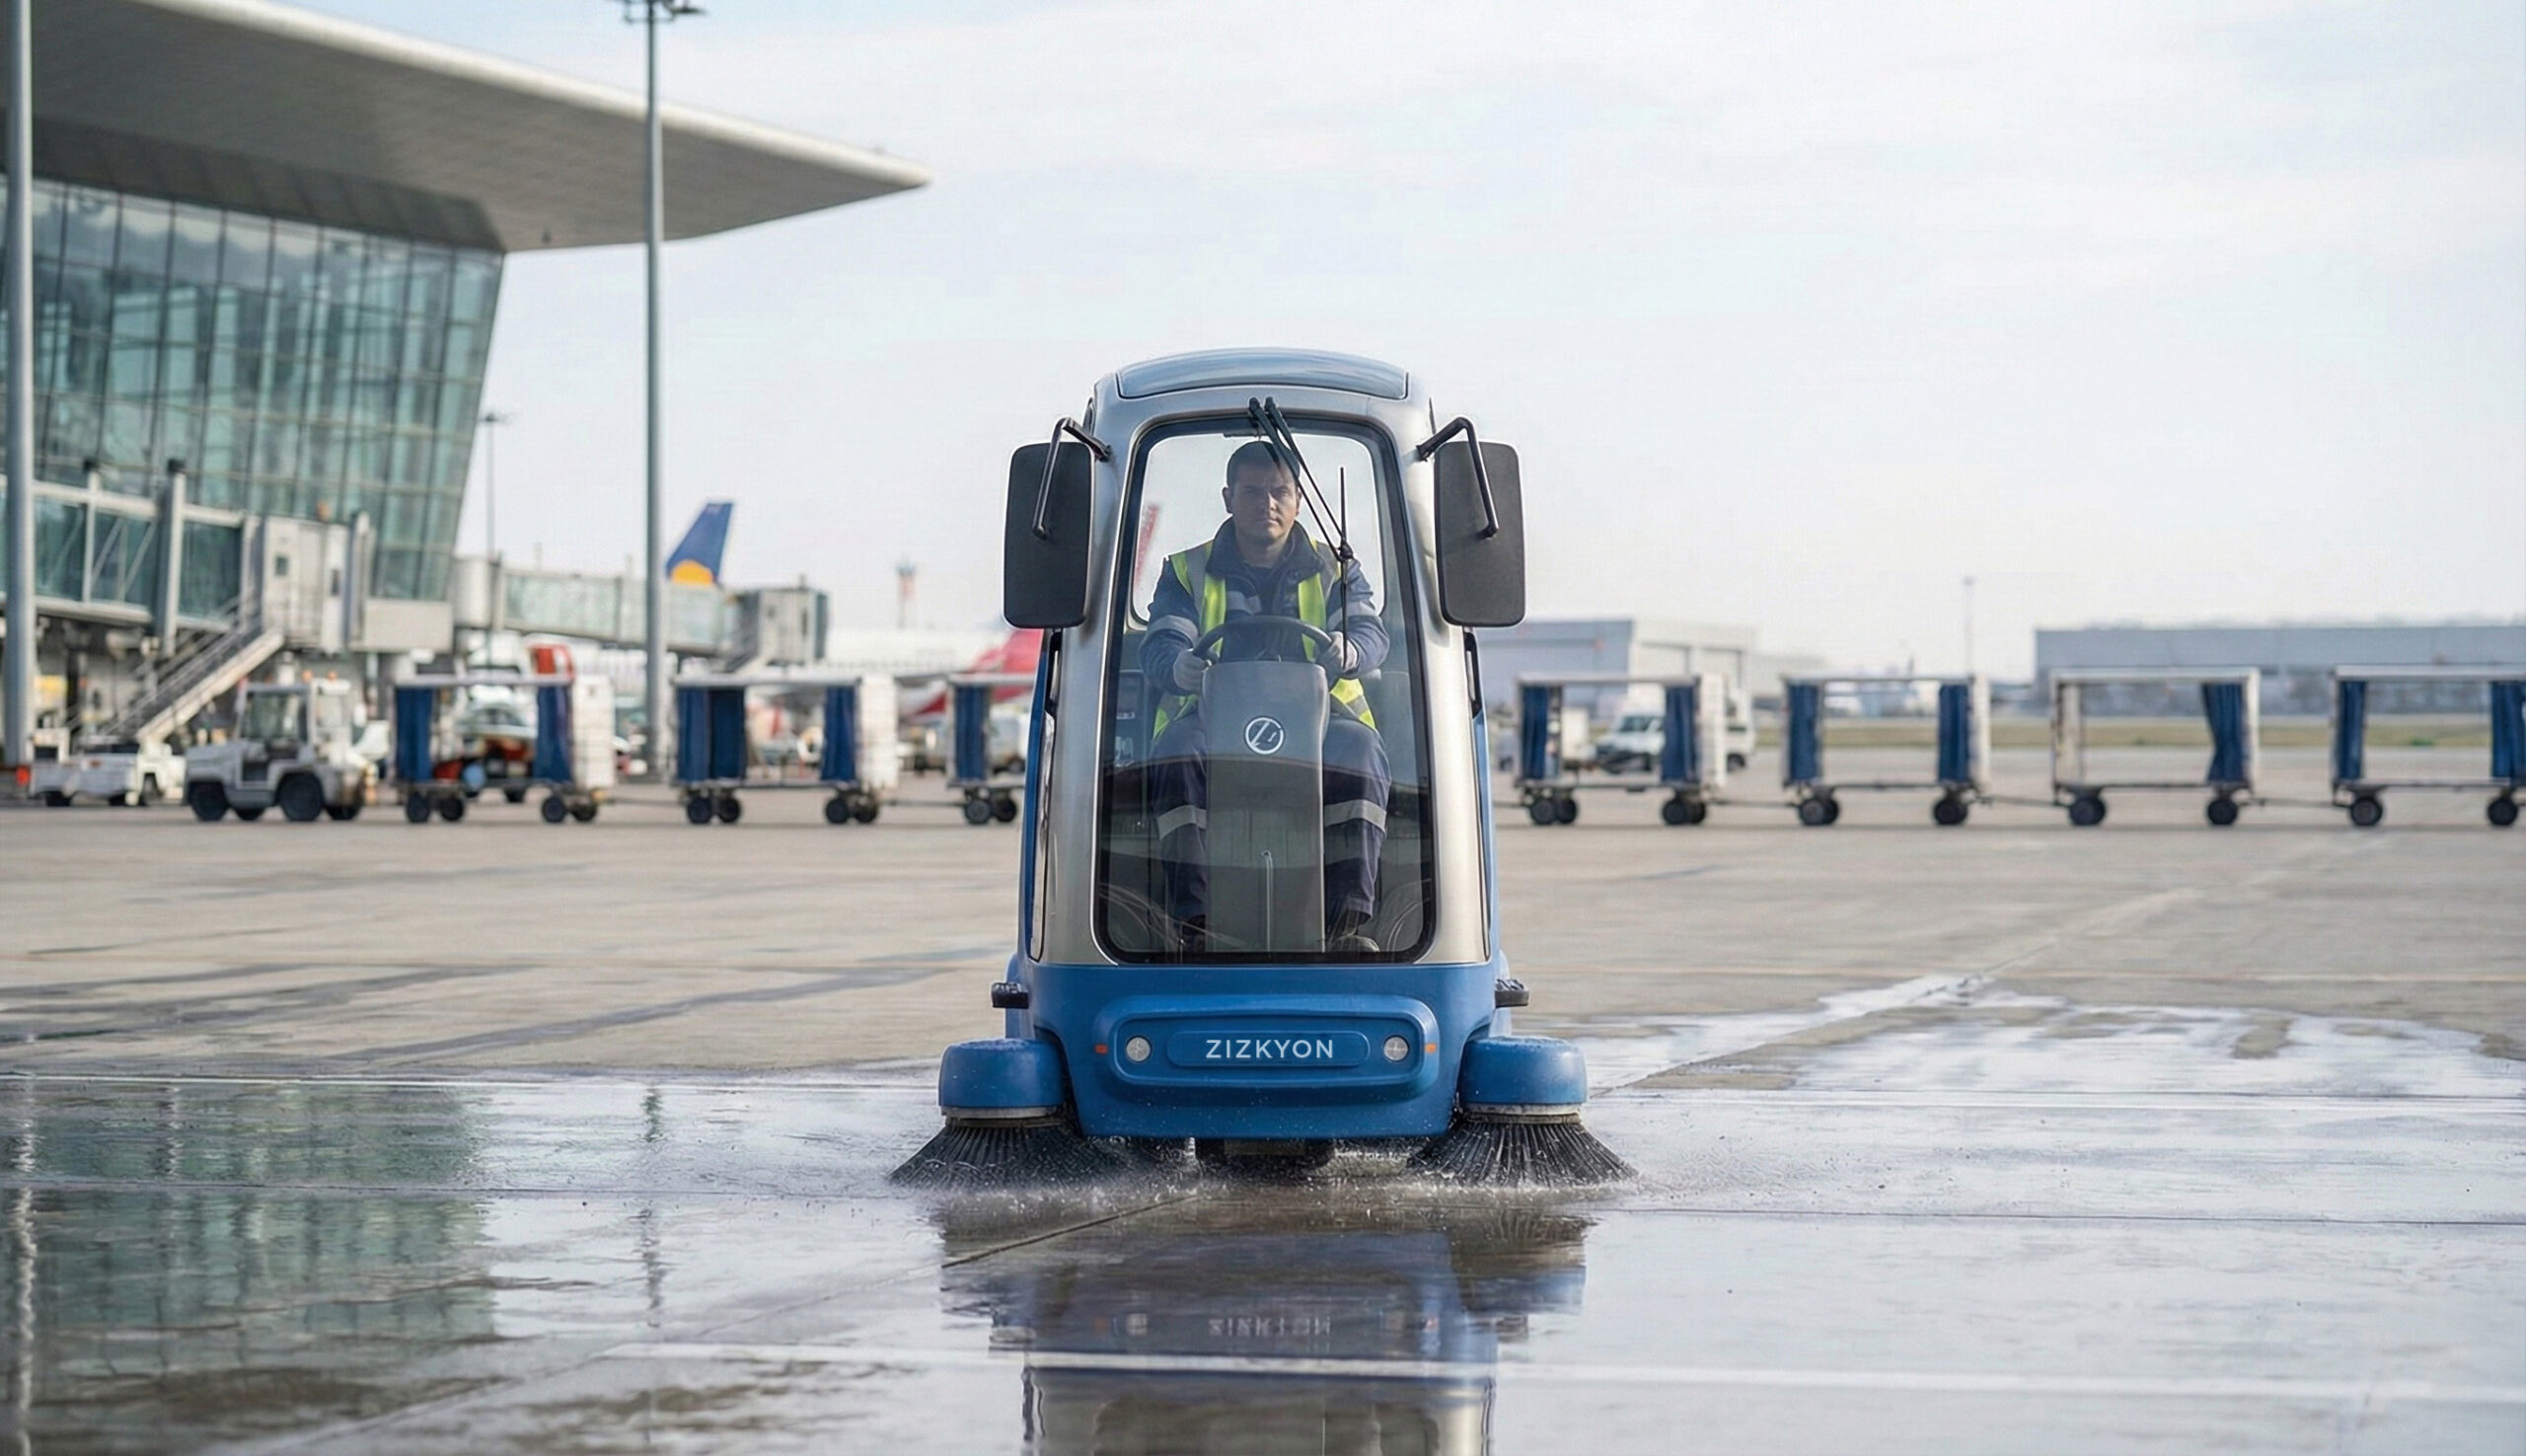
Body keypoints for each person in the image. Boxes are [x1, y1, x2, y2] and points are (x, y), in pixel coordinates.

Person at [1142, 440, 1390, 953]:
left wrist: (1351, 649)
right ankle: (1197, 923)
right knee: (1174, 751)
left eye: (1279, 492)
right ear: (1228, 497)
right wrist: (1177, 665)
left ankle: (1346, 927)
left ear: (1298, 499)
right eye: (1252, 492)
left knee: (1362, 752)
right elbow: (1164, 640)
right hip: (1210, 719)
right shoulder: (1185, 569)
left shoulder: (1336, 568)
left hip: (1325, 721)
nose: (1266, 504)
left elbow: (1369, 632)